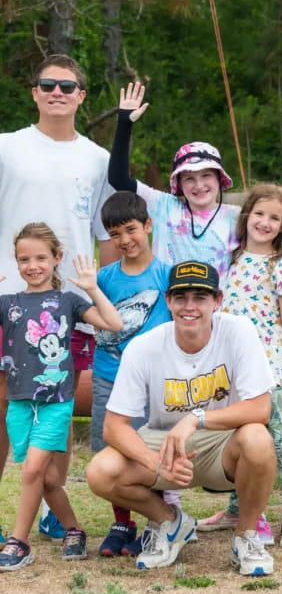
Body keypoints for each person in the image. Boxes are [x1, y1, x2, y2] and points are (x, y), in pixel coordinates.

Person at [85, 260, 278, 575]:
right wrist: (155, 463)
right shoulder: (143, 346)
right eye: (181, 297)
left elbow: (260, 408)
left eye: (200, 297)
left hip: (222, 439)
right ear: (167, 301)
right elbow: (114, 427)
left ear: (217, 301)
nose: (190, 306)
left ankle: (246, 536)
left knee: (257, 437)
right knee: (100, 471)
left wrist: (194, 419)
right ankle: (170, 523)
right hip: (162, 439)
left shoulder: (238, 330)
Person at [0, 54, 118, 542]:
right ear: (34, 92)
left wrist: (106, 291)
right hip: (7, 298)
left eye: (67, 87)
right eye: (47, 84)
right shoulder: (6, 147)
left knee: (59, 407)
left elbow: (106, 234)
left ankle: (54, 507)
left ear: (81, 96)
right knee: (3, 406)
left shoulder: (97, 159)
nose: (57, 92)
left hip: (67, 305)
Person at [197, 184, 282, 547]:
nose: (265, 222)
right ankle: (240, 509)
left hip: (273, 372)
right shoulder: (229, 261)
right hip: (234, 374)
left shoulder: (280, 267)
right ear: (247, 216)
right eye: (260, 214)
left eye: (275, 218)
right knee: (242, 443)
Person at [0, 223, 123, 571]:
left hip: (55, 402)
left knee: (32, 470)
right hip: (19, 402)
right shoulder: (7, 302)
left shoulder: (67, 301)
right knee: (48, 479)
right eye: (24, 259)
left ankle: (19, 542)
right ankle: (74, 529)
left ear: (57, 259)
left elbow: (113, 323)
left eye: (41, 257)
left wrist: (93, 288)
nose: (32, 265)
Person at [92, 192, 173, 557]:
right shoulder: (104, 278)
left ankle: (159, 521)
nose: (125, 240)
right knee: (109, 448)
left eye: (130, 229)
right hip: (108, 374)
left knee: (144, 451)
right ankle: (121, 522)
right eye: (115, 234)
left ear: (148, 226)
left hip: (151, 383)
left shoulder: (167, 274)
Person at [108, 82, 240, 280]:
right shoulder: (164, 206)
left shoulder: (238, 217)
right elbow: (118, 179)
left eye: (206, 175)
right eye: (189, 178)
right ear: (178, 183)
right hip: (167, 306)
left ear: (219, 179)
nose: (199, 185)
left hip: (217, 308)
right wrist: (125, 124)